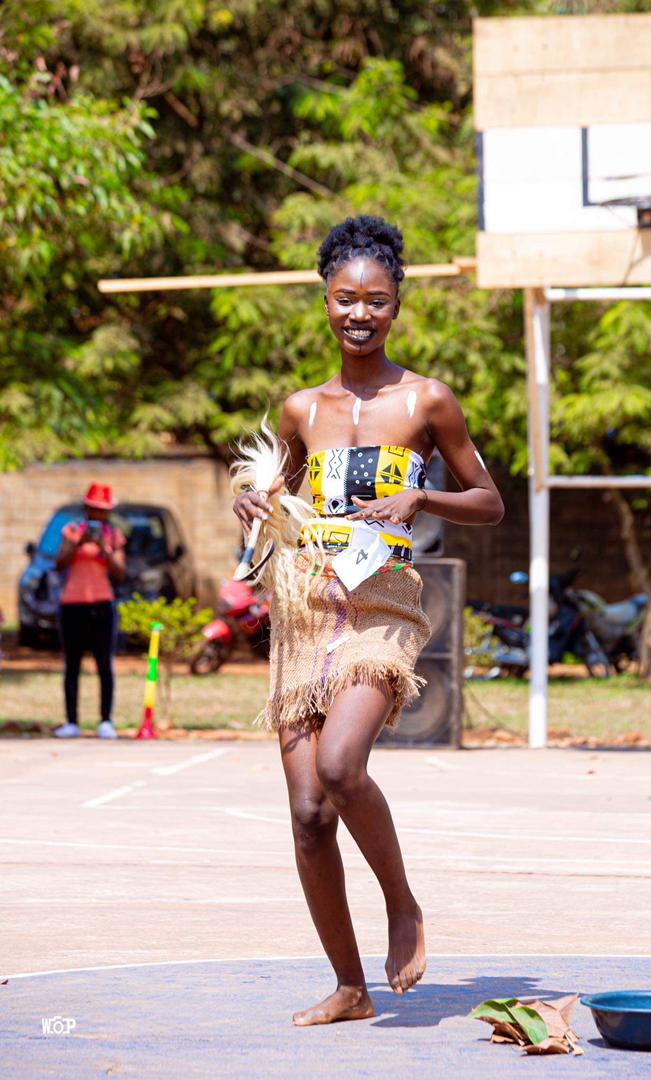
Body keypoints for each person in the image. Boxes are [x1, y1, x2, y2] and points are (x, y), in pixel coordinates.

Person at [233, 216, 504, 1026]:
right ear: (325, 299)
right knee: (311, 813)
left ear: (396, 307)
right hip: (303, 608)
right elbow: (272, 503)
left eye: (376, 301)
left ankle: (402, 903)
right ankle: (350, 987)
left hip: (381, 603)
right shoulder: (299, 409)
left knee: (344, 767)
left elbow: (488, 502)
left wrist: (422, 496)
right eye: (345, 298)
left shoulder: (428, 400)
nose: (360, 313)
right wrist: (249, 502)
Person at [53, 483, 126, 739]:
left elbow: (120, 572)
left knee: (104, 664)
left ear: (108, 513)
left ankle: (106, 720)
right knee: (71, 664)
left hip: (102, 604)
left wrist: (104, 548)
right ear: (85, 509)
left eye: (102, 511)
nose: (96, 515)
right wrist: (78, 544)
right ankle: (71, 721)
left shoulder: (114, 535)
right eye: (93, 509)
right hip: (72, 605)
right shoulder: (72, 531)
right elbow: (59, 564)